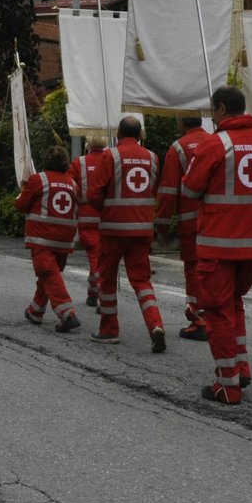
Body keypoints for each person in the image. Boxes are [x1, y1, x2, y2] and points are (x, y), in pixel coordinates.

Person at [184, 87, 252, 402]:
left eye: (213, 110)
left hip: (220, 245)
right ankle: (241, 367)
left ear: (222, 108)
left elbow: (191, 189)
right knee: (234, 304)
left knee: (218, 311)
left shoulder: (214, 144)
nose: (211, 116)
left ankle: (228, 384)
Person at [86, 116, 165, 352]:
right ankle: (155, 326)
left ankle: (109, 330)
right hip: (142, 229)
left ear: (118, 135)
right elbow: (154, 189)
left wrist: (106, 209)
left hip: (114, 228)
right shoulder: (152, 157)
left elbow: (94, 193)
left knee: (107, 278)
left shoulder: (111, 156)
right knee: (142, 280)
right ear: (140, 135)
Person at [155, 115, 213, 341]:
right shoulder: (215, 141)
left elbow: (169, 191)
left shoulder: (178, 148)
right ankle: (213, 317)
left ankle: (199, 320)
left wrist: (162, 225)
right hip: (217, 220)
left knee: (194, 270)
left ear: (181, 123)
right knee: (214, 271)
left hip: (191, 221)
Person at [15, 144, 81, 332]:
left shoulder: (39, 180)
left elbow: (21, 205)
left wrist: (23, 190)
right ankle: (36, 311)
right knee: (49, 274)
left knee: (48, 274)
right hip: (65, 240)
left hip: (43, 237)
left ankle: (67, 313)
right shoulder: (72, 184)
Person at [70, 136, 107, 308]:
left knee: (95, 258)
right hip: (108, 218)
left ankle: (99, 295)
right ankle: (94, 293)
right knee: (100, 258)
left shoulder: (79, 162)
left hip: (86, 219)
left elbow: (70, 186)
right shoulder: (111, 160)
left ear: (88, 144)